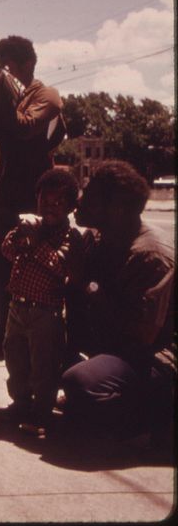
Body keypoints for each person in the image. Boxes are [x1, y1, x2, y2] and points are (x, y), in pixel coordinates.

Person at [61, 161, 174, 443]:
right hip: (117, 346)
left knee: (81, 382)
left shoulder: (150, 255)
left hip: (158, 359)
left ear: (117, 210)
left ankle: (156, 423)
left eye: (89, 195)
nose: (79, 200)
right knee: (40, 349)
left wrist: (85, 285)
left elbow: (142, 335)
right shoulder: (97, 238)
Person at [0, 35, 66, 361]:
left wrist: (5, 95)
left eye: (7, 66)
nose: (3, 73)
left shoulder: (46, 95)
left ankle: (34, 341)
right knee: (0, 268)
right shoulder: (5, 95)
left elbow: (24, 127)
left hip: (35, 199)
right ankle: (1, 335)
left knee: (35, 270)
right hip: (6, 195)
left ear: (26, 64)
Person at [0, 169, 84, 436]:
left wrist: (34, 245)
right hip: (17, 306)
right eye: (45, 201)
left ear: (71, 207)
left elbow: (59, 267)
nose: (50, 207)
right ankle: (21, 403)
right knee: (16, 361)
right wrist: (19, 237)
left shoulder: (71, 238)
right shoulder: (30, 225)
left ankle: (41, 413)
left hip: (46, 312)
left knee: (44, 367)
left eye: (59, 202)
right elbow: (7, 250)